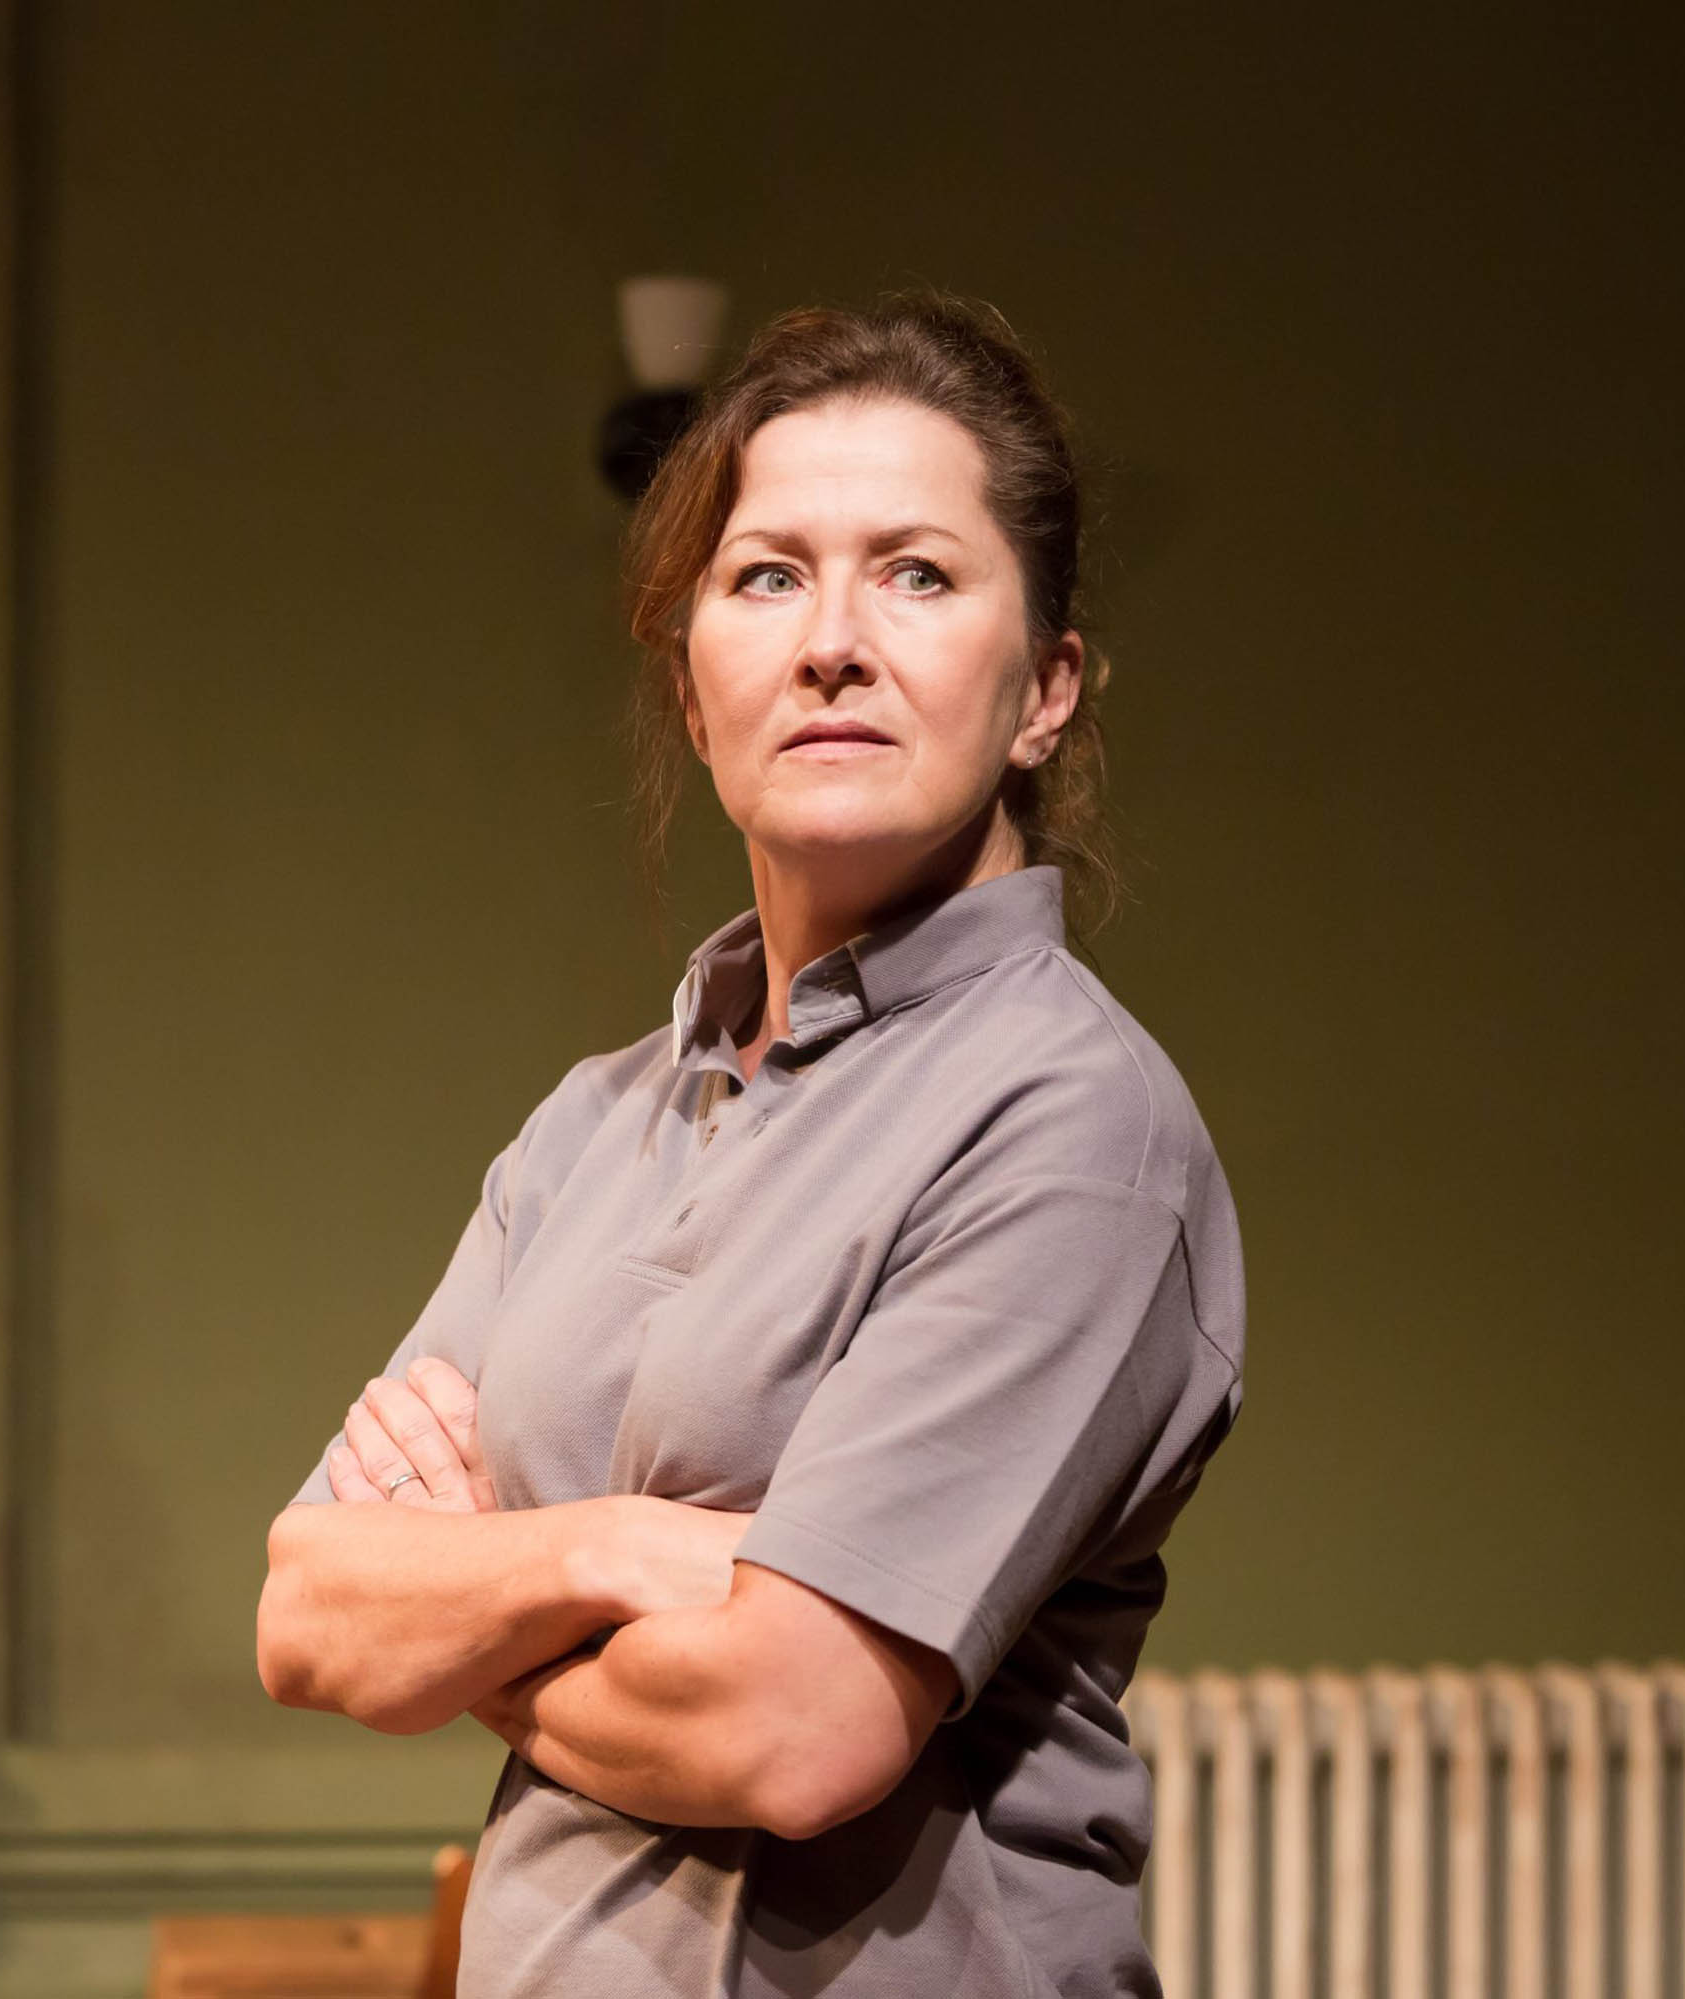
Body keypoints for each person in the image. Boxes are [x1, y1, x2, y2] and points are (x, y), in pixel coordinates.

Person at [256, 294, 1245, 1998]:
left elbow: (789, 1730)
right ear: (695, 692)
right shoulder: (592, 1125)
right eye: (769, 575)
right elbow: (307, 1612)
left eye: (917, 574)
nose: (832, 642)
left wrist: (472, 1615)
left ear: (1044, 690)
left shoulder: (1071, 1120)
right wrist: (612, 1552)